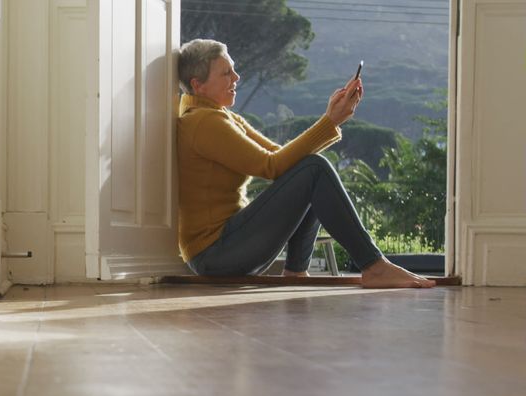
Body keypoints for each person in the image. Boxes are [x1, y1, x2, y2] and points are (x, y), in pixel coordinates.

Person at [176, 39, 435, 288]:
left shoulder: (220, 117)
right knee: (313, 169)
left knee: (307, 170)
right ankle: (374, 266)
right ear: (198, 85)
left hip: (228, 247)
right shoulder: (202, 122)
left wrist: (331, 117)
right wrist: (330, 121)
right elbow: (271, 166)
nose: (236, 78)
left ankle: (296, 271)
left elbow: (285, 160)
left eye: (233, 70)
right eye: (226, 73)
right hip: (215, 255)